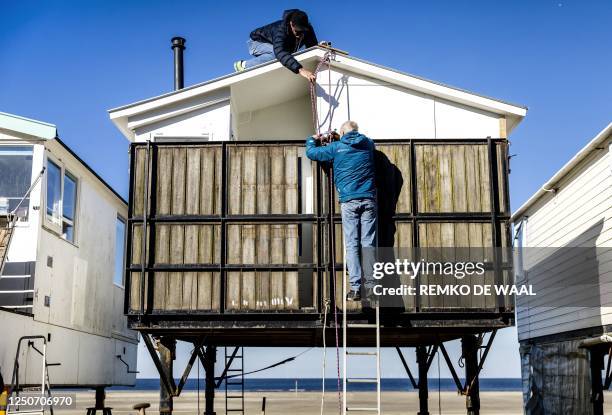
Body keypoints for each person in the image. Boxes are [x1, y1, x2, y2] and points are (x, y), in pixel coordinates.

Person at [305, 121, 378, 301]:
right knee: (368, 243)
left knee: (352, 244)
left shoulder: (336, 147)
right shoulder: (368, 144)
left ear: (343, 132)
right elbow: (359, 142)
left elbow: (312, 153)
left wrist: (312, 139)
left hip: (349, 200)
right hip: (368, 199)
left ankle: (356, 288)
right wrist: (341, 137)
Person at [234, 9, 318, 82]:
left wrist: (321, 47)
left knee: (286, 54)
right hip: (256, 42)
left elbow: (313, 47)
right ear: (291, 24)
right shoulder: (281, 30)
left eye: (302, 31)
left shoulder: (307, 29)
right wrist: (301, 70)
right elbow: (279, 52)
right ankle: (243, 65)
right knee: (276, 54)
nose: (299, 35)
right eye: (297, 31)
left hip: (272, 44)